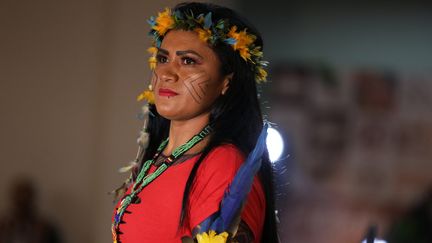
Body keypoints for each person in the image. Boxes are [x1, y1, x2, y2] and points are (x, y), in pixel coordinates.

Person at [111, 2, 278, 242]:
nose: (167, 73)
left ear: (226, 82)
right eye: (162, 58)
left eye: (188, 61)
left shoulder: (223, 165)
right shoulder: (158, 158)